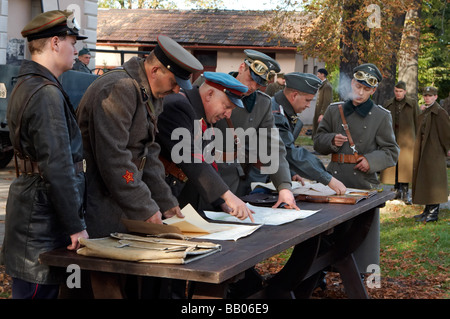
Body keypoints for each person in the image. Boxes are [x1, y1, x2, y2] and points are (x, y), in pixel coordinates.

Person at [76, 35, 203, 239]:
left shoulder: (148, 92)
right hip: (99, 203)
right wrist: (145, 206)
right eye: (174, 81)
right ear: (154, 71)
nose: (177, 90)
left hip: (121, 201)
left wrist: (166, 203)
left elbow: (148, 153)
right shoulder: (120, 88)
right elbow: (114, 159)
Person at [0, 10, 89, 299]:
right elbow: (58, 165)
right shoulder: (46, 92)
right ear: (54, 42)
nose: (76, 50)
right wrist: (76, 227)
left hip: (36, 214)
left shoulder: (28, 83)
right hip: (43, 225)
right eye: (71, 42)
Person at [313, 63, 399, 273]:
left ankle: (361, 274)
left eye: (366, 89)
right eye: (357, 86)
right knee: (328, 233)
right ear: (351, 83)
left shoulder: (381, 116)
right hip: (334, 182)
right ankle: (319, 273)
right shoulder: (335, 110)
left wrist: (372, 161)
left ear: (373, 90)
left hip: (363, 183)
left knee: (361, 234)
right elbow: (317, 142)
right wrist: (332, 139)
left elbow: (391, 151)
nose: (360, 92)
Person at [157, 72, 254, 222]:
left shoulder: (202, 114)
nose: (228, 115)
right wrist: (228, 195)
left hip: (176, 199)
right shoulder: (178, 106)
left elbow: (207, 159)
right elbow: (190, 157)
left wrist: (221, 202)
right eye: (227, 106)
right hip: (157, 199)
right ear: (209, 94)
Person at [213, 50, 299, 210]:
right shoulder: (211, 87)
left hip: (236, 181)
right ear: (241, 67)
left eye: (259, 84)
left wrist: (284, 187)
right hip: (204, 177)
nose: (253, 87)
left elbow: (273, 147)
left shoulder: (262, 103)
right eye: (251, 79)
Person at [271, 72, 346, 194]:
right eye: (307, 100)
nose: (308, 105)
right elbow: (288, 151)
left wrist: (291, 172)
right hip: (256, 179)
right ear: (294, 95)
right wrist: (328, 179)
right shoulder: (276, 113)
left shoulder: (282, 109)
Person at [412, 86, 450, 223]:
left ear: (435, 96)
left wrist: (448, 148)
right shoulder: (427, 111)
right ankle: (427, 211)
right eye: (425, 95)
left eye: (430, 95)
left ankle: (433, 213)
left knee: (434, 180)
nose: (427, 97)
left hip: (434, 151)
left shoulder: (440, 112)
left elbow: (446, 132)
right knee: (426, 180)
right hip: (424, 149)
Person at [380, 81, 419, 204]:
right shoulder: (388, 104)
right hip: (391, 137)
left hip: (407, 138)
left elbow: (418, 121)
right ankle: (396, 191)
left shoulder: (412, 104)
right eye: (396, 91)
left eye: (400, 91)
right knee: (393, 164)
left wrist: (418, 138)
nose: (398, 93)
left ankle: (405, 192)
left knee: (405, 165)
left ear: (405, 92)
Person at [312, 68, 333, 138]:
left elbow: (327, 101)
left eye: (318, 74)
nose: (317, 75)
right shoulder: (322, 84)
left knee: (320, 129)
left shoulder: (327, 86)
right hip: (318, 110)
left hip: (322, 112)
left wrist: (322, 114)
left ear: (322, 74)